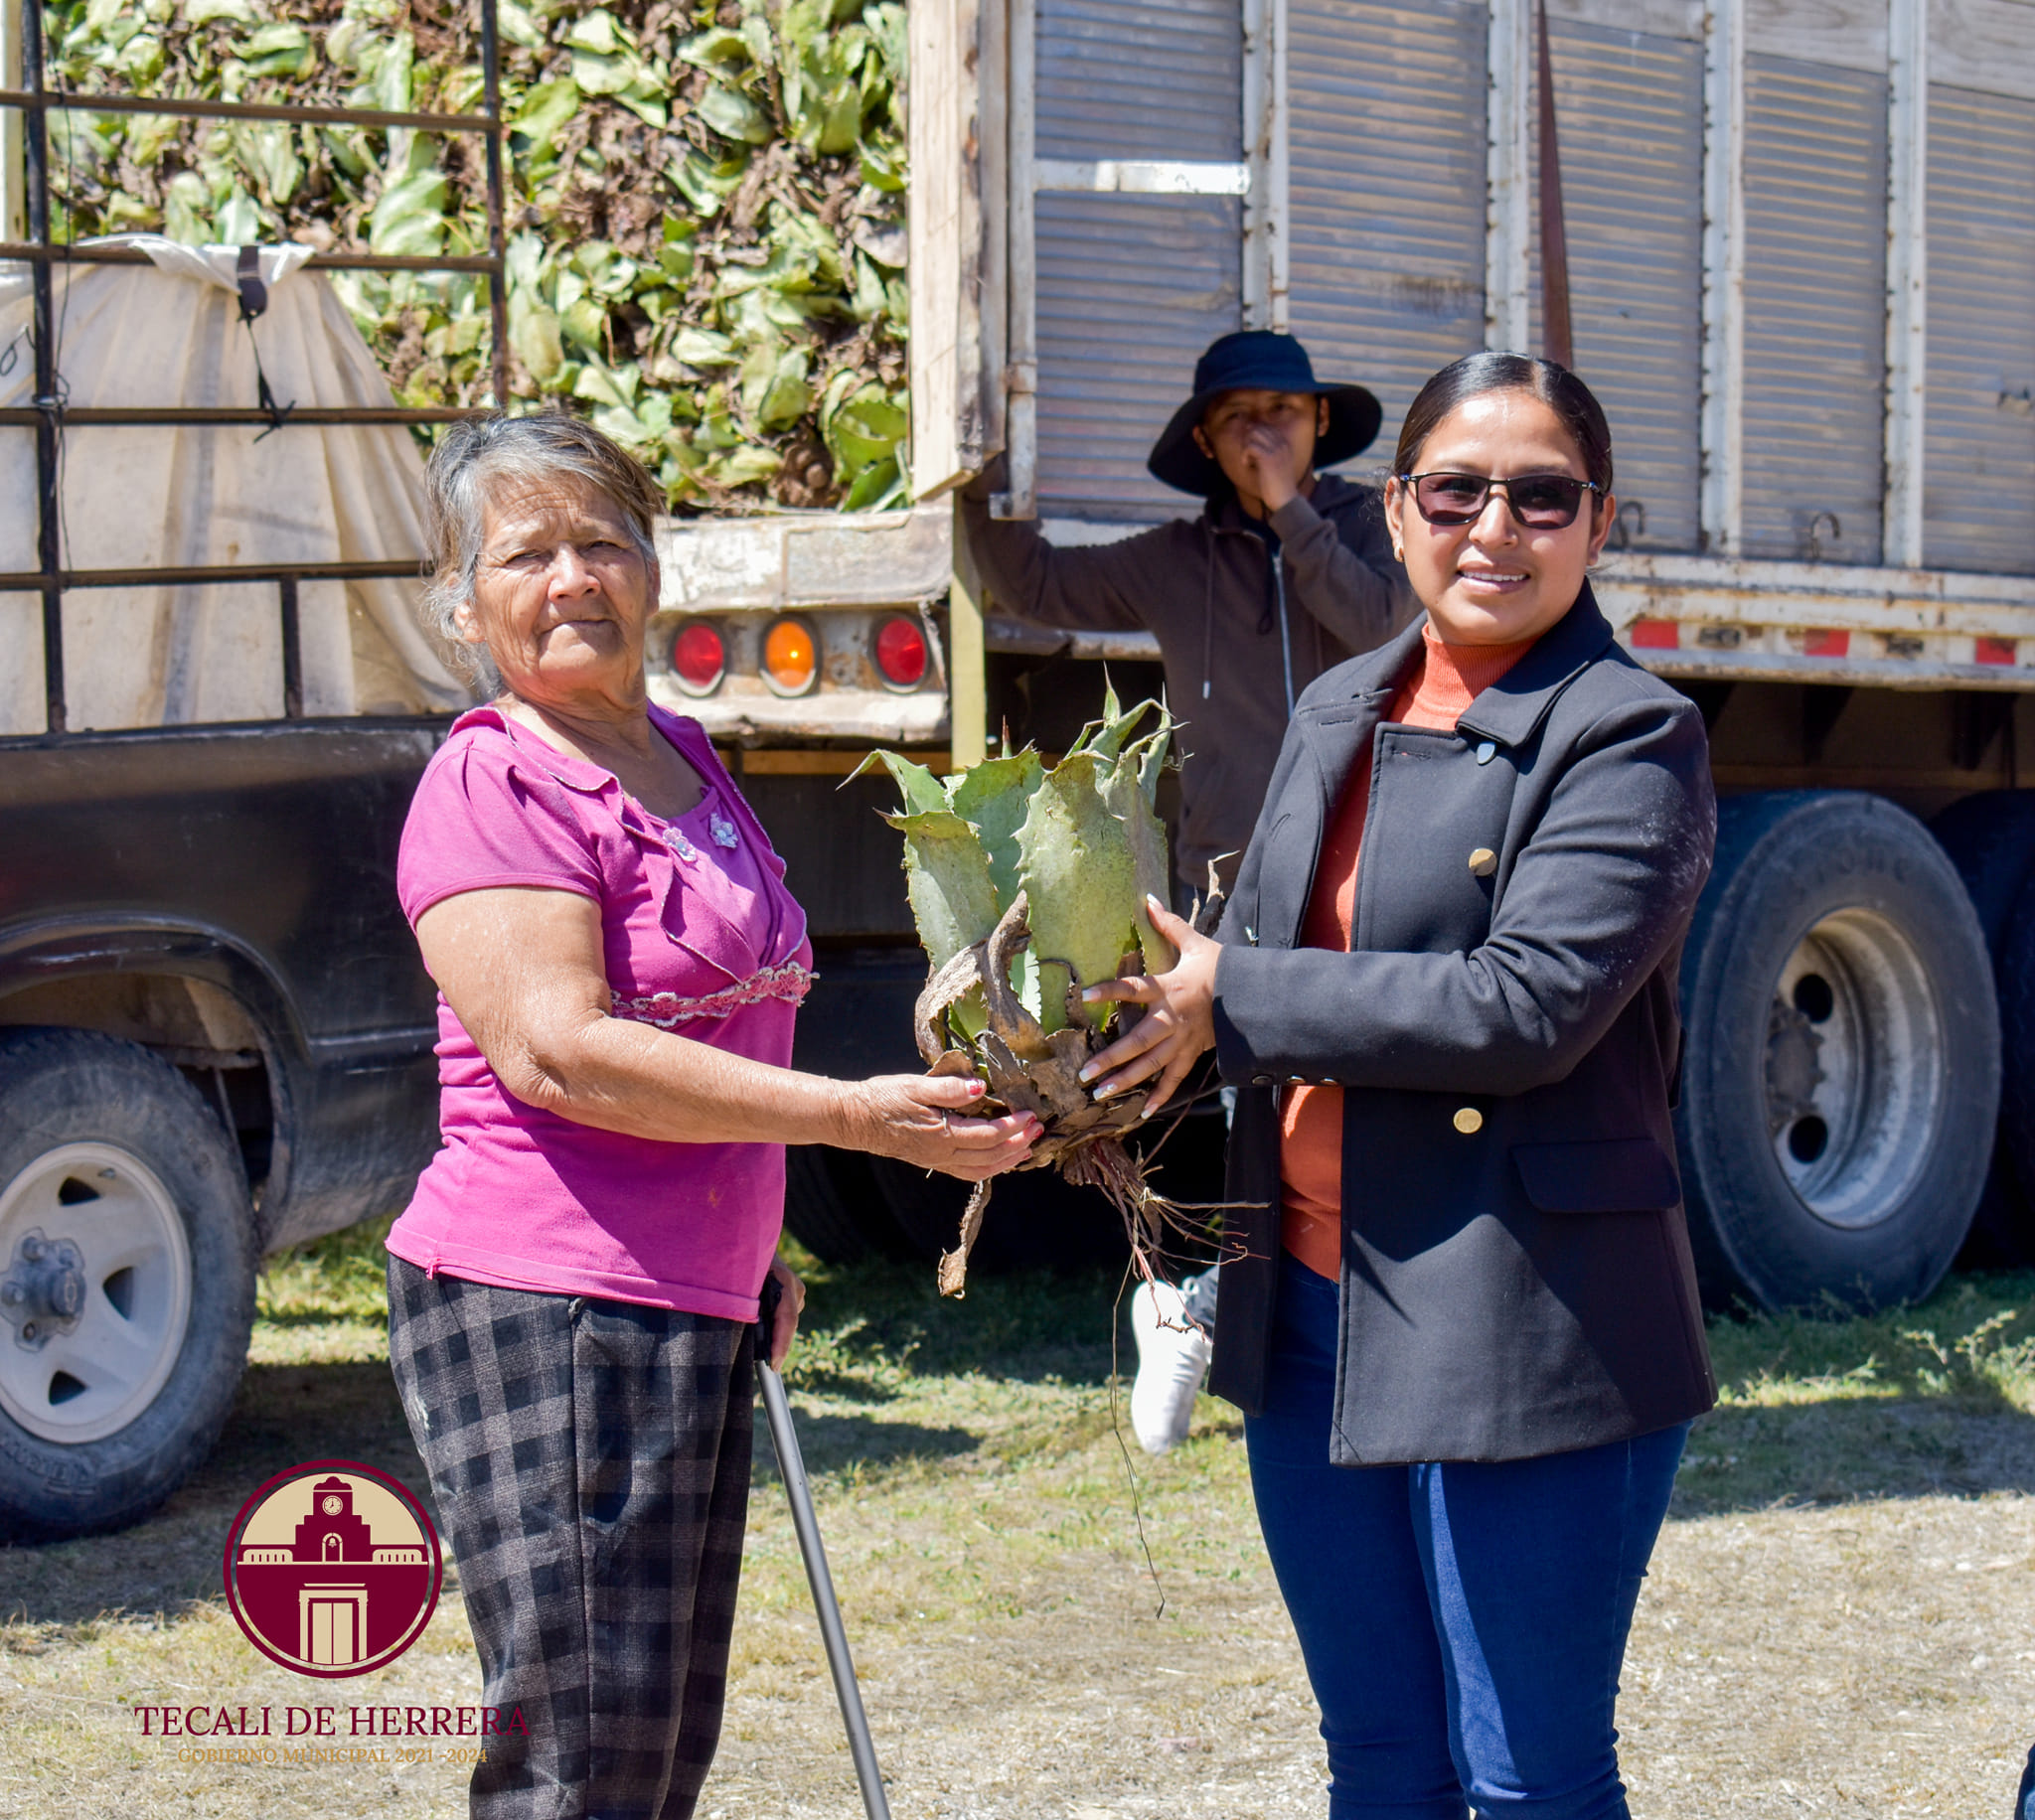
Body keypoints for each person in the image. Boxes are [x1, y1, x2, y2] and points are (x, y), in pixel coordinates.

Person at [1080, 353, 1719, 1817]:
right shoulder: (1343, 707)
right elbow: (1254, 957)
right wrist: (1145, 1028)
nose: (1496, 527)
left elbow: (1527, 1006)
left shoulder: (1627, 732)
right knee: (1377, 1759)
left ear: (1599, 523)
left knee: (1523, 1779)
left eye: (1541, 496)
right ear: (1397, 507)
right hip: (1311, 1309)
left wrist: (1232, 994)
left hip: (1527, 1310)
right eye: (1457, 489)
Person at [383, 411, 1039, 1820]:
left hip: (685, 1295)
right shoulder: (493, 781)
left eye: (601, 542)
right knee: (581, 1764)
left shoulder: (676, 753)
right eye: (527, 554)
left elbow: (716, 1021)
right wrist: (854, 1120)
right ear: (461, 604)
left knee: (657, 1744)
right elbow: (562, 1055)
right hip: (547, 1302)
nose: (572, 578)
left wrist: (754, 1248)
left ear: (652, 570)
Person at [967, 329, 1417, 1454]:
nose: (1264, 433)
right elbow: (1029, 579)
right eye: (1238, 419)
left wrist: (1293, 519)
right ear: (1205, 443)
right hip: (1234, 892)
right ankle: (1220, 1316)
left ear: (1319, 426)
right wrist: (969, 465)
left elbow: (1387, 633)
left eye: (1284, 411)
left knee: (1369, 1120)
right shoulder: (1176, 558)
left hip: (1375, 866)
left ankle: (1207, 1310)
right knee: (1260, 1122)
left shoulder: (1372, 529)